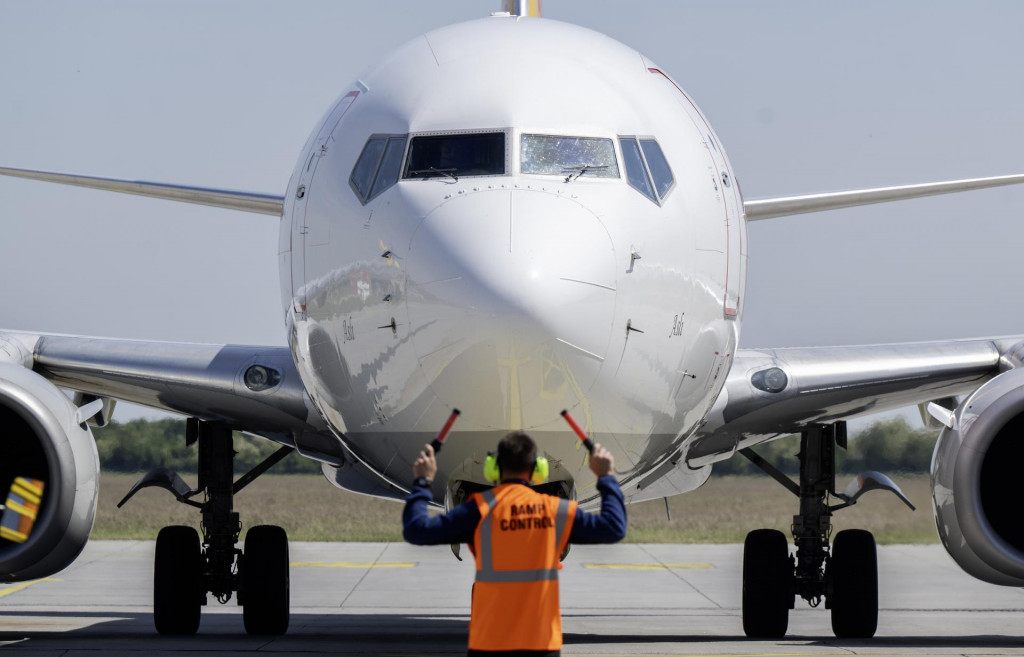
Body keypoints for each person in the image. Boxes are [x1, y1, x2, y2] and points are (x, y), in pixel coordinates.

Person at [403, 431, 627, 656]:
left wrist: (423, 482)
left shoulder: (480, 510)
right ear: (538, 469)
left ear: (494, 467)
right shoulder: (555, 511)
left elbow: (417, 530)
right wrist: (606, 476)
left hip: (489, 643)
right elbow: (614, 527)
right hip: (541, 643)